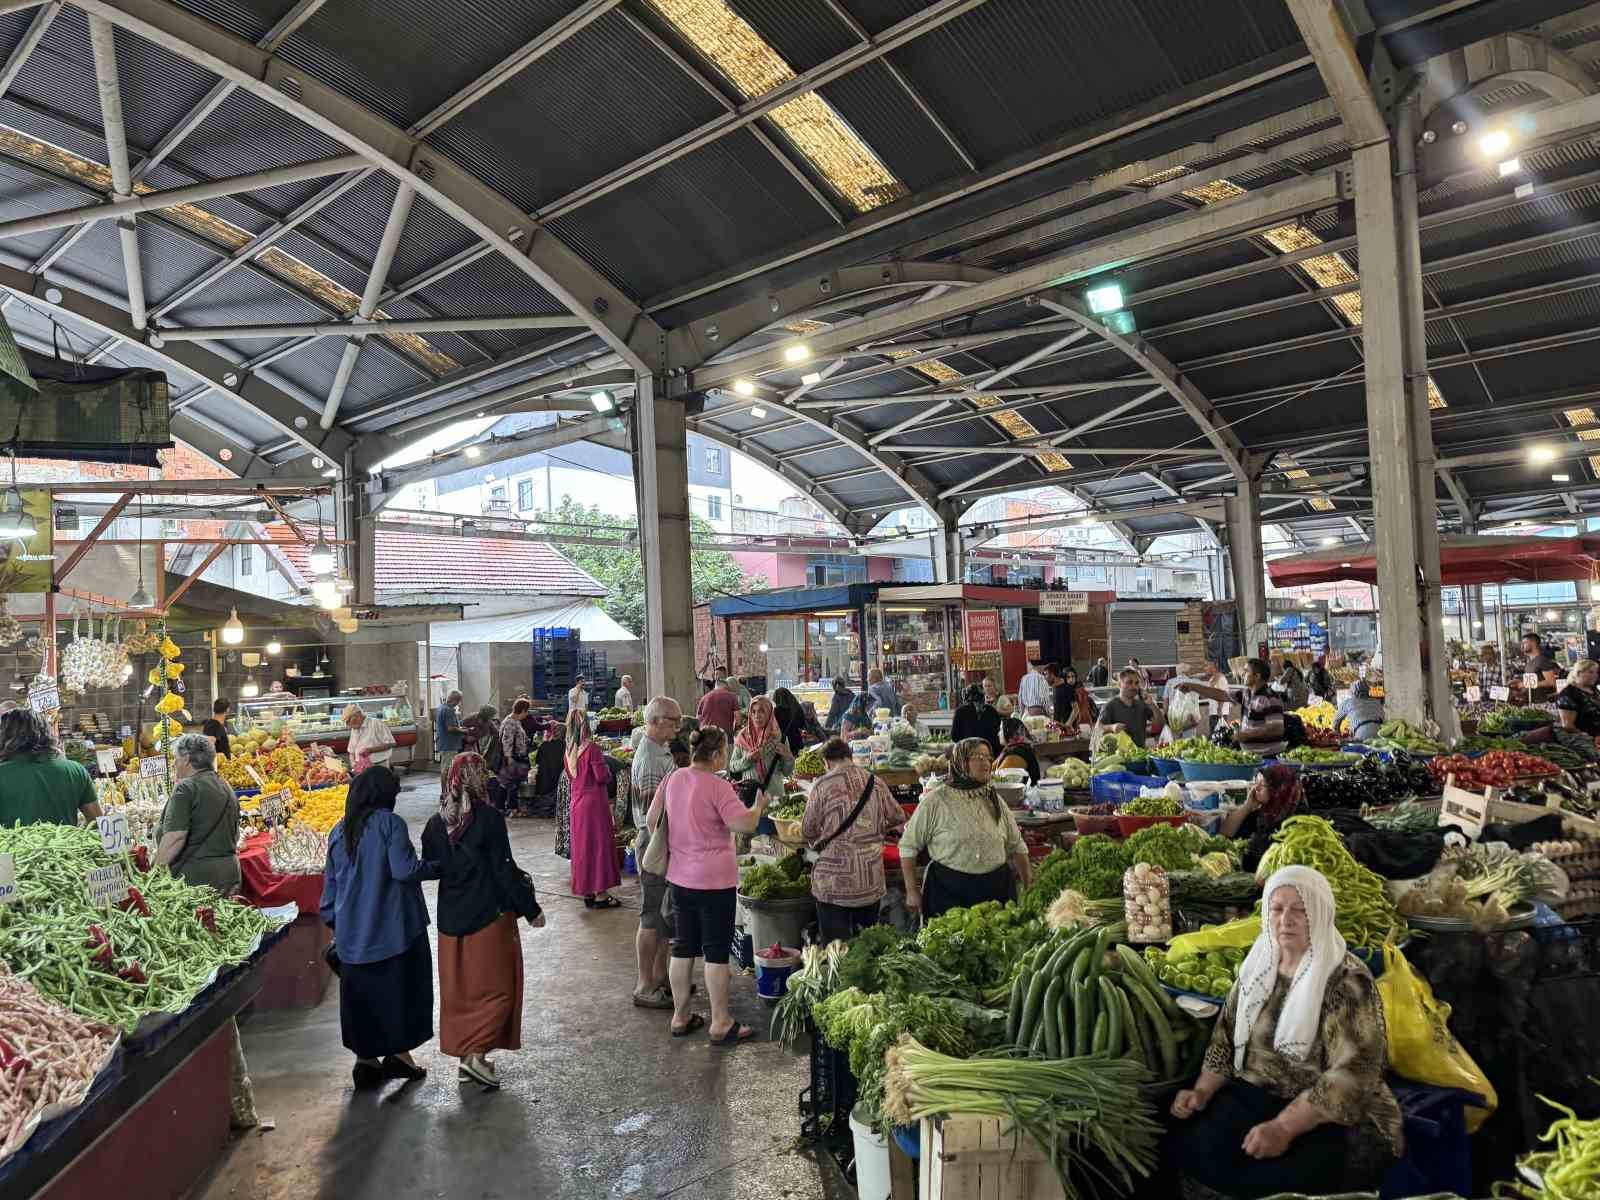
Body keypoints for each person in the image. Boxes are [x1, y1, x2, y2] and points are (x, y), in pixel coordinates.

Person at [1171, 867, 1401, 1199]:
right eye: (1277, 909)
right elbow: (1224, 1039)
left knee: (1279, 1180)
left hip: (1326, 1110)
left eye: (1300, 910)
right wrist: (1201, 1091)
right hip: (1258, 1090)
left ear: (1320, 914)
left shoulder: (1346, 981)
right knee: (1195, 1149)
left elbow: (1355, 1072)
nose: (1285, 920)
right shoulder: (1258, 966)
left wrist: (1284, 1127)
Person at [421, 752, 543, 1090]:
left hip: (450, 921)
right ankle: (475, 1055)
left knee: (461, 993)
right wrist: (530, 908)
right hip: (488, 917)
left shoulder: (436, 823)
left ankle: (467, 1058)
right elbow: (503, 869)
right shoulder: (488, 818)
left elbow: (431, 866)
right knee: (498, 990)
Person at [319, 767, 439, 1089]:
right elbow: (404, 870)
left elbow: (329, 893)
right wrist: (439, 866)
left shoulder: (338, 831)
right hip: (395, 931)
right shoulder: (390, 823)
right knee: (400, 996)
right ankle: (400, 1056)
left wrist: (340, 927)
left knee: (362, 1000)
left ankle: (366, 1062)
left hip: (352, 938)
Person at [650, 726, 769, 1043]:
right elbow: (743, 823)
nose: (726, 757)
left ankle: (680, 1017)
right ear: (716, 754)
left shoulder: (674, 779)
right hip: (714, 882)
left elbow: (651, 821)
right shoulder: (718, 786)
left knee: (683, 946)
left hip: (680, 878)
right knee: (716, 952)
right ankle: (720, 1022)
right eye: (725, 751)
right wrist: (758, 806)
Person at [898, 737, 1031, 919]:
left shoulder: (994, 800)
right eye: (978, 757)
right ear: (960, 762)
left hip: (996, 892)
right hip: (948, 893)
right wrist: (912, 891)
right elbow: (908, 847)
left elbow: (1017, 846)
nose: (985, 763)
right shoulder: (936, 801)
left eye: (988, 758)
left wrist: (1028, 885)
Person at [803, 738, 906, 943]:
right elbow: (898, 816)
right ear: (849, 756)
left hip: (834, 884)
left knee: (836, 947)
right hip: (869, 879)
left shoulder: (822, 785)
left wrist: (824, 836)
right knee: (866, 946)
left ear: (827, 762)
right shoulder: (875, 782)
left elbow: (807, 830)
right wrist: (874, 829)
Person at [630, 697, 682, 1009]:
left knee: (663, 916)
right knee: (651, 917)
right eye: (674, 720)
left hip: (661, 842)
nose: (678, 726)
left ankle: (661, 976)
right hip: (654, 843)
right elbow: (655, 818)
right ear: (656, 720)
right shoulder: (650, 758)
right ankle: (644, 984)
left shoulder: (660, 750)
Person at [155, 733, 241, 894]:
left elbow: (175, 837)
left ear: (187, 759)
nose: (174, 763)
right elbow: (235, 836)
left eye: (176, 758)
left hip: (197, 881)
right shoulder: (225, 786)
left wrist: (155, 872)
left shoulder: (186, 787)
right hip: (230, 874)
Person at [0, 708, 101, 826]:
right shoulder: (75, 770)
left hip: (12, 839)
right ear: (46, 733)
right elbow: (98, 823)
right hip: (64, 838)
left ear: (5, 736)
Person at [565, 708, 621, 909]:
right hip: (594, 804)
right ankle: (601, 895)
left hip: (576, 804)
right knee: (598, 847)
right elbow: (601, 776)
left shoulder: (568, 751)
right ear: (587, 726)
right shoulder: (592, 749)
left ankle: (587, 891)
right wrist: (607, 769)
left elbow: (572, 777)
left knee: (582, 848)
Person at [1185, 659, 1284, 758]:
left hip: (1267, 756)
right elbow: (1222, 695)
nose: (1242, 674)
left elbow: (1277, 729)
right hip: (1250, 756)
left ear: (1257, 676)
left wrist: (1247, 734)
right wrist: (1193, 687)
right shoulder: (1246, 694)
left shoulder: (1271, 698)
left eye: (1246, 671)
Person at [1221, 764, 1309, 873]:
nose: (1256, 788)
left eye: (1262, 785)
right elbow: (1226, 832)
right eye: (1255, 782)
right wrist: (1248, 806)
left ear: (1278, 789)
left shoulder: (1296, 822)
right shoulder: (1264, 813)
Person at [729, 695, 794, 812]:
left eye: (761, 711)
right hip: (750, 799)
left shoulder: (780, 738)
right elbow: (733, 766)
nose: (756, 716)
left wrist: (788, 757)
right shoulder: (743, 737)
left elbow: (787, 772)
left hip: (774, 799)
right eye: (753, 712)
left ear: (769, 713)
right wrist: (748, 759)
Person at [1100, 669, 1165, 748]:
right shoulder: (1110, 706)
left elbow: (1160, 724)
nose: (1134, 686)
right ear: (1119, 684)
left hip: (1140, 753)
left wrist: (1151, 704)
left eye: (1136, 683)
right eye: (1129, 682)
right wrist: (1112, 727)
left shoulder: (1142, 704)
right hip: (1118, 754)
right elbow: (1098, 729)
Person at [1552, 659, 1600, 762]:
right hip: (1585, 739)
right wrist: (1589, 738)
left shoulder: (1593, 690)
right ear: (1579, 673)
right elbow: (1568, 725)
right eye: (1591, 672)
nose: (1595, 675)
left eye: (1596, 672)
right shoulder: (1568, 693)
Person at [497, 699, 532, 814]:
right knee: (506, 782)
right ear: (522, 710)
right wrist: (508, 757)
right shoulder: (511, 722)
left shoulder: (515, 721)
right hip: (513, 758)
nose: (527, 714)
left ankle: (511, 807)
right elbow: (506, 740)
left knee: (513, 783)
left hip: (516, 757)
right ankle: (502, 807)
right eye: (527, 711)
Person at [950, 684, 1003, 755]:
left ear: (966, 697)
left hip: (969, 753)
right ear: (983, 697)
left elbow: (954, 736)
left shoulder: (960, 711)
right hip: (991, 753)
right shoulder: (991, 710)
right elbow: (999, 733)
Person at [344, 704, 395, 774]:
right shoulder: (355, 727)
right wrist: (353, 763)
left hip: (379, 765)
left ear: (358, 715)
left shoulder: (376, 723)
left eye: (350, 721)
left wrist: (370, 750)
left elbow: (391, 743)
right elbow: (351, 750)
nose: (350, 726)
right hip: (361, 766)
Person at [997, 716, 1041, 784]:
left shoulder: (1017, 753)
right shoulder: (1017, 748)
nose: (998, 734)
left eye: (1000, 730)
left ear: (1009, 732)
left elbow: (998, 780)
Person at [435, 690, 464, 783]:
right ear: (455, 700)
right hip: (449, 744)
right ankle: (445, 790)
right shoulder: (449, 710)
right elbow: (450, 728)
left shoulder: (441, 707)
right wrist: (464, 731)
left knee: (445, 768)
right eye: (459, 701)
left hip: (443, 743)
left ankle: (445, 789)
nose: (458, 704)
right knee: (448, 770)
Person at [771, 686, 806, 755]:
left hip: (783, 742)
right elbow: (802, 724)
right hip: (796, 740)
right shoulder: (797, 708)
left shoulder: (777, 711)